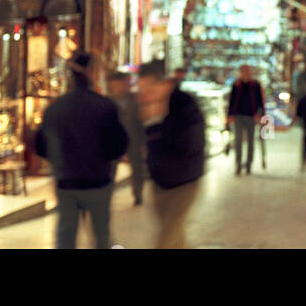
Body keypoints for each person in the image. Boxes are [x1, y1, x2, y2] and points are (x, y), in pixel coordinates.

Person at [34, 52, 128, 249]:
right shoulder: (104, 106)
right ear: (92, 73)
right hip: (99, 181)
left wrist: (59, 161)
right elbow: (120, 143)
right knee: (101, 236)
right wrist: (105, 161)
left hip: (66, 182)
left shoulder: (55, 108)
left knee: (66, 237)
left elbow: (40, 145)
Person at [137, 60, 207, 249]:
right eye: (142, 89)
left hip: (184, 181)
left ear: (165, 84)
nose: (145, 94)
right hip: (160, 181)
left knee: (167, 236)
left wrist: (156, 123)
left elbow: (189, 143)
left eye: (149, 88)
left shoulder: (184, 105)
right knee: (175, 238)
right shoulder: (146, 106)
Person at [106, 71, 146, 206]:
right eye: (114, 85)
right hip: (113, 142)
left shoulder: (135, 100)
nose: (118, 88)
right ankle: (107, 195)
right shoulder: (107, 102)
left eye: (120, 85)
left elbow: (141, 122)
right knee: (110, 171)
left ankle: (138, 194)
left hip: (133, 140)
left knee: (137, 169)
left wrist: (143, 142)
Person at [226, 64, 265, 175]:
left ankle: (248, 164)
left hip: (251, 116)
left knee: (251, 142)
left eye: (248, 71)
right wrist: (229, 116)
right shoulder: (236, 85)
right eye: (244, 71)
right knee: (238, 141)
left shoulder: (256, 85)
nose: (246, 73)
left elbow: (260, 102)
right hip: (238, 116)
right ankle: (238, 164)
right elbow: (232, 101)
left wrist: (261, 115)